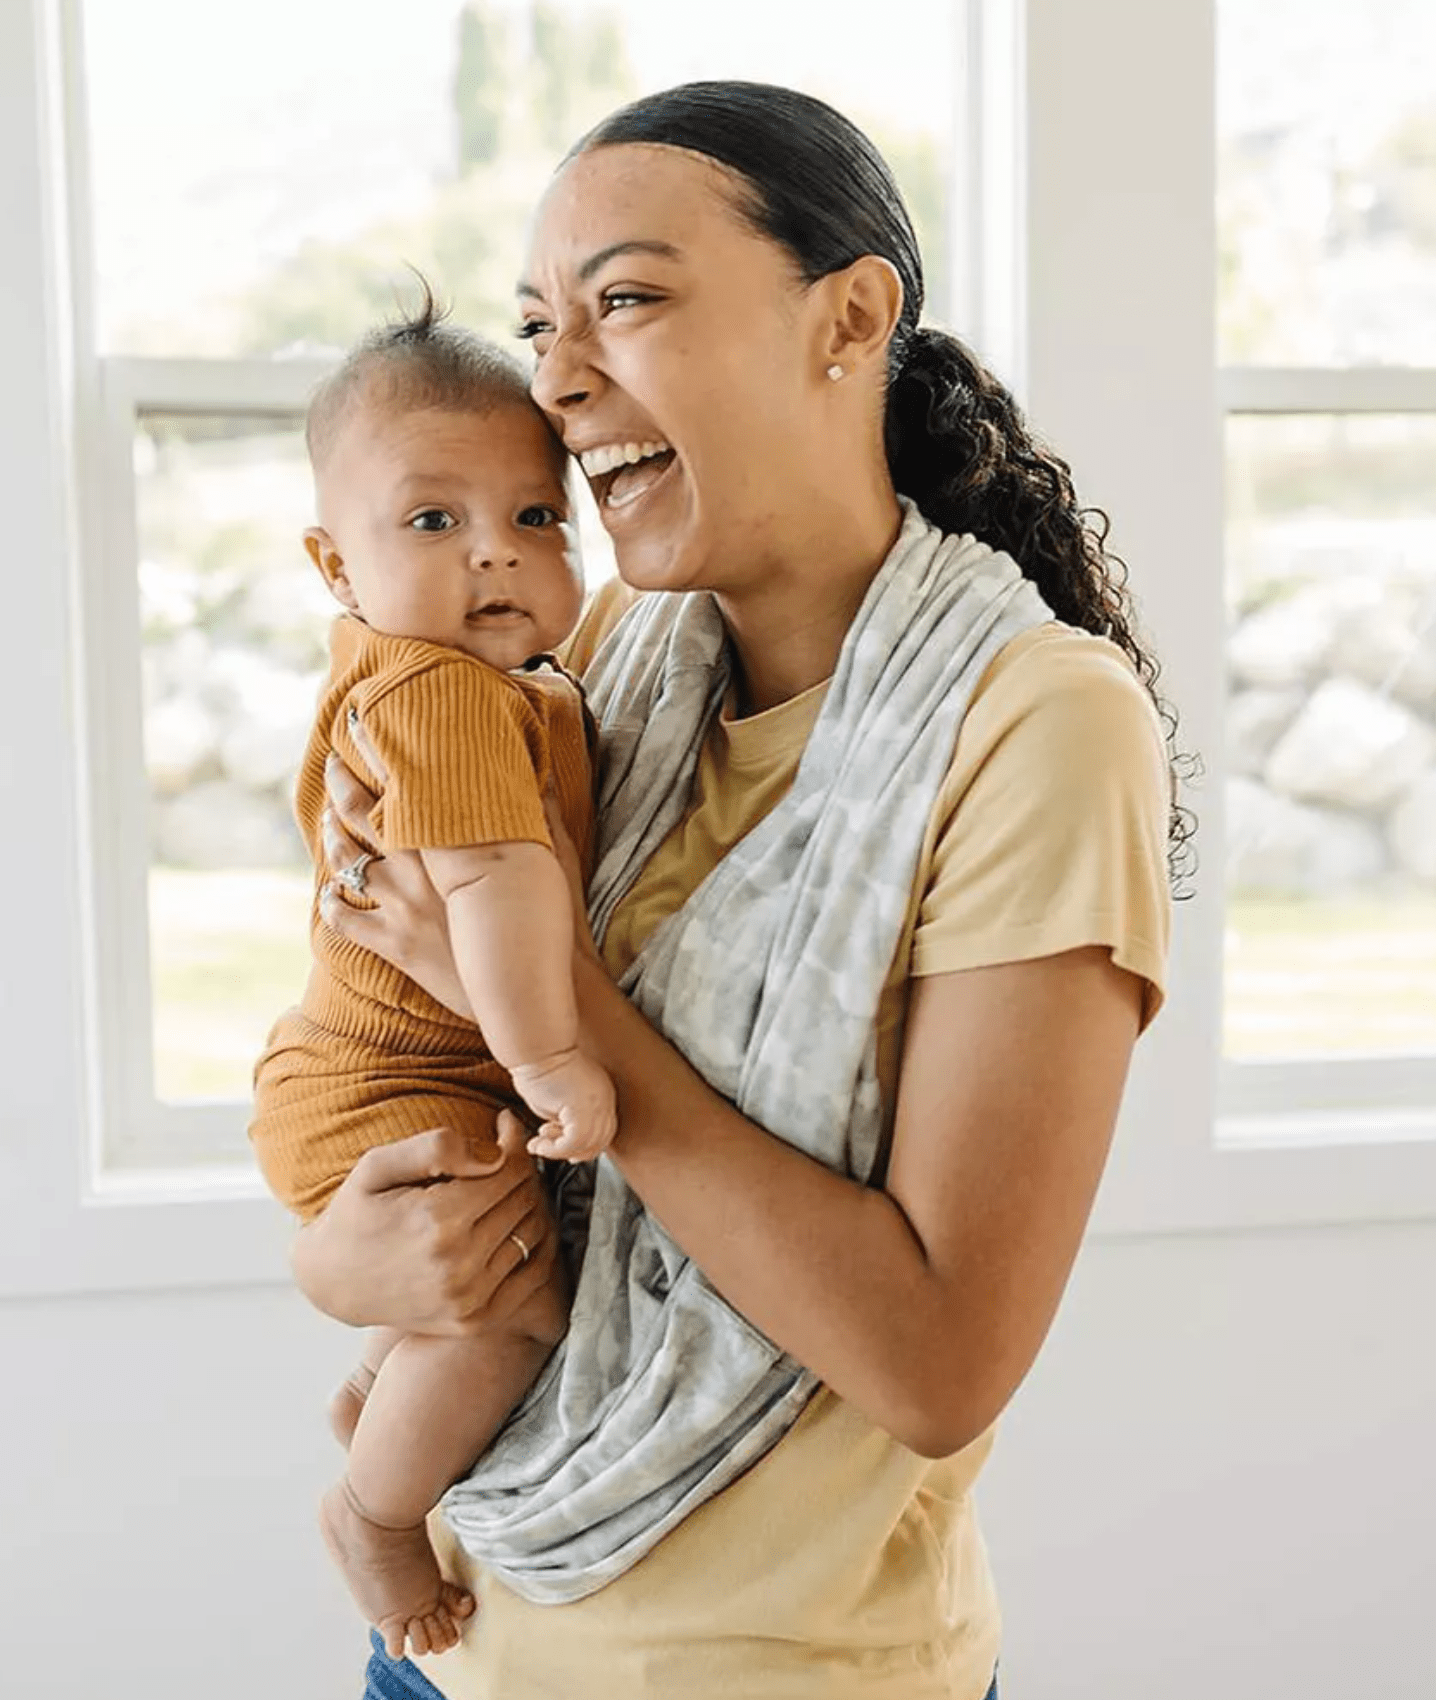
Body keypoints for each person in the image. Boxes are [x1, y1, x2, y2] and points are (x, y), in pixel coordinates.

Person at [293, 80, 1187, 1700]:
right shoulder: (592, 672)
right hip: (449, 1645)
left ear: (846, 316)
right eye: (538, 326)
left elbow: (936, 1362)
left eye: (624, 302)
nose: (557, 381)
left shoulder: (1034, 724)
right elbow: (416, 1060)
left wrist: (560, 999)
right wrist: (344, 1262)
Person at [247, 302, 615, 1664]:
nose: (492, 555)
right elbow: (491, 888)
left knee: (482, 1304)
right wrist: (559, 1062)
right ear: (332, 560)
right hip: (393, 1087)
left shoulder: (463, 676)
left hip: (363, 1072)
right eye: (431, 522)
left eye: (534, 519)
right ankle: (376, 1517)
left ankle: (384, 1392)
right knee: (517, 1315)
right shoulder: (444, 695)